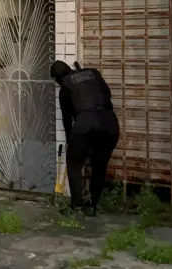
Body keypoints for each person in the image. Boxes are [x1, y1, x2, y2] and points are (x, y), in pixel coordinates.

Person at [50, 60, 120, 216]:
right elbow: (107, 95)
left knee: (74, 163)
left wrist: (70, 141)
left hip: (86, 125)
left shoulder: (65, 87)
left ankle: (77, 206)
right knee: (99, 166)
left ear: (58, 78)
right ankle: (92, 206)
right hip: (110, 124)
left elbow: (67, 119)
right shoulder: (93, 73)